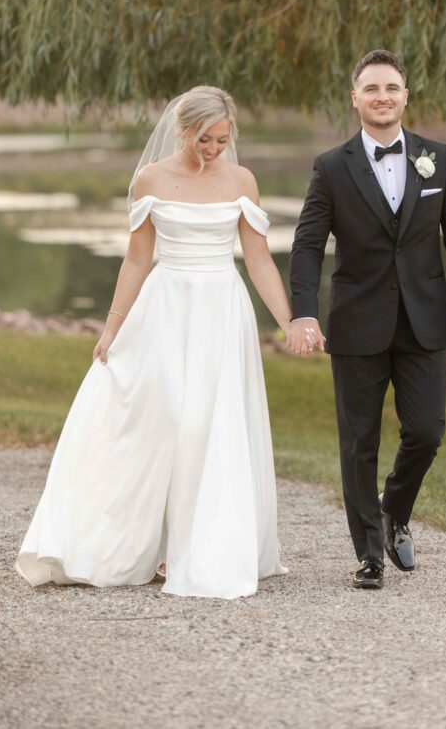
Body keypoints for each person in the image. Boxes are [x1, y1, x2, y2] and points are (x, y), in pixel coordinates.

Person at [16, 86, 293, 599]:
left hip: (220, 310)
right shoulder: (151, 178)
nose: (214, 150)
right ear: (183, 130)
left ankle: (193, 547)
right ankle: (144, 541)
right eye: (205, 139)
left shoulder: (242, 180)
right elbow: (138, 259)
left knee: (206, 423)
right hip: (165, 308)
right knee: (165, 419)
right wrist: (111, 327)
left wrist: (289, 320)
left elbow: (257, 260)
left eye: (223, 140)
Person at [289, 50, 446, 589]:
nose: (383, 96)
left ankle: (394, 508)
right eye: (371, 88)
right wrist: (303, 312)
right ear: (355, 98)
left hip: (425, 321)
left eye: (392, 88)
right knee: (359, 442)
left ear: (406, 96)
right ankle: (370, 554)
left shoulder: (437, 158)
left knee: (426, 432)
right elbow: (307, 245)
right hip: (356, 323)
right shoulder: (331, 167)